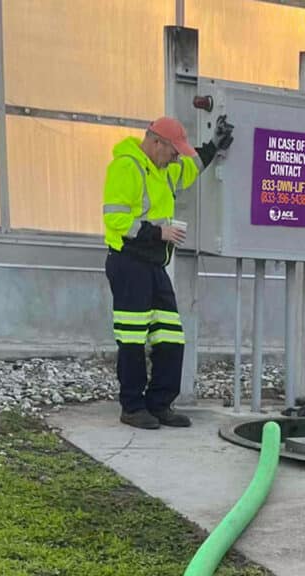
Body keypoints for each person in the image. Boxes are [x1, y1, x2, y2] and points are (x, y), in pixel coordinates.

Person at [102, 115, 233, 429]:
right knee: (132, 339)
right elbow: (115, 219)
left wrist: (214, 145)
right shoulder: (126, 167)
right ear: (155, 142)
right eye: (173, 151)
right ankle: (132, 407)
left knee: (171, 336)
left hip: (154, 264)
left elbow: (191, 168)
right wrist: (157, 233)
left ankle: (160, 404)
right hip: (129, 262)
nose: (177, 157)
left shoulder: (164, 170)